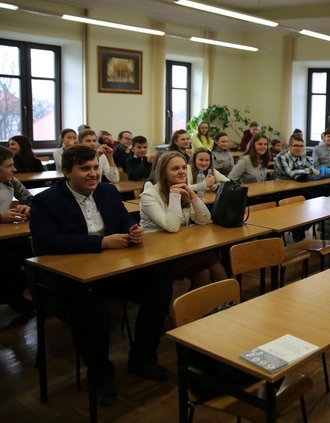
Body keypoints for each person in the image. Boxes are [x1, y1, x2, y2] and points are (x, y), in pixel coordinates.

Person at [30, 145, 173, 406]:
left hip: (109, 270)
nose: (93, 173)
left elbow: (123, 221)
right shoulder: (45, 200)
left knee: (160, 286)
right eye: (85, 169)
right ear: (66, 172)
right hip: (64, 278)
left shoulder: (107, 191)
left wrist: (133, 230)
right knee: (92, 311)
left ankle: (143, 359)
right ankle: (100, 377)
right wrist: (100, 243)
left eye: (96, 167)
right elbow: (47, 242)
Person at [139, 151, 227, 290]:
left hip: (178, 249)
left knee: (203, 274)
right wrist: (174, 197)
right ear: (163, 173)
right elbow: (171, 227)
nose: (182, 172)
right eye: (175, 169)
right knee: (207, 254)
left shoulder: (183, 188)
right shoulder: (149, 195)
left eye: (184, 168)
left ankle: (195, 311)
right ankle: (231, 298)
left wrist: (192, 196)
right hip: (156, 256)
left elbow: (205, 220)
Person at [0, 145, 36, 313]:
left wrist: (27, 207)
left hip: (7, 236)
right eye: (9, 166)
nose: (14, 169)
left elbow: (30, 199)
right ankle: (13, 297)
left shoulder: (10, 181)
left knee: (35, 255)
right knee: (8, 264)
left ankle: (16, 293)